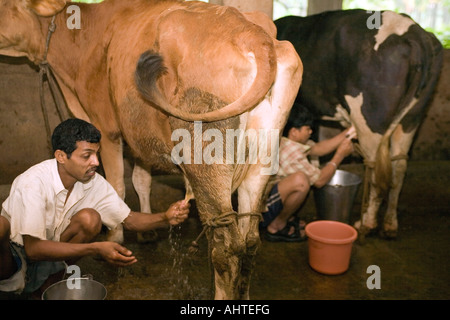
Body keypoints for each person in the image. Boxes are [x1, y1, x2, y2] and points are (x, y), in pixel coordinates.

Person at [0, 118, 190, 297]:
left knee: (90, 219)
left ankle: (47, 286)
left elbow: (129, 219)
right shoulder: (33, 182)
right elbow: (33, 249)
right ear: (61, 156)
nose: (96, 162)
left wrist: (165, 218)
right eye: (86, 156)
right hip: (14, 255)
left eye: (96, 153)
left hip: (52, 253)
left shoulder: (92, 181)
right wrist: (95, 248)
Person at [261, 106, 357, 242]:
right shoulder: (291, 151)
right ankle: (276, 225)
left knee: (298, 179)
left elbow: (319, 148)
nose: (311, 131)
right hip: (261, 211)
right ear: (294, 132)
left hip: (269, 197)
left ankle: (284, 217)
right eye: (307, 129)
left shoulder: (286, 140)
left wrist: (349, 132)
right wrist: (339, 156)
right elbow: (320, 181)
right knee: (301, 181)